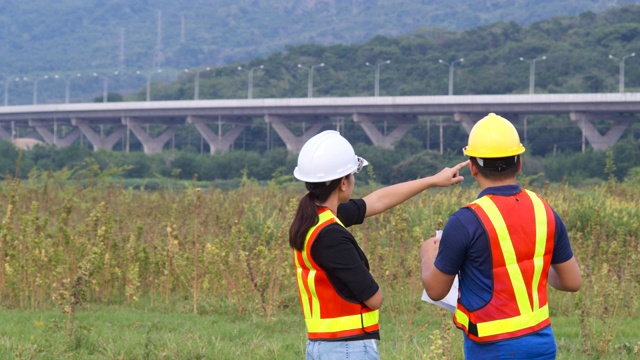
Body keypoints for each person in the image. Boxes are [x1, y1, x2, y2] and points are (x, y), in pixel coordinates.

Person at [290, 130, 468, 360]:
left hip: (323, 346)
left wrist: (432, 180)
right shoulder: (331, 236)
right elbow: (374, 298)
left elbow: (377, 201)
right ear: (344, 183)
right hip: (347, 349)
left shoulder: (315, 220)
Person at [421, 113, 582, 359]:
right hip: (542, 346)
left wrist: (427, 255)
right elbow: (572, 282)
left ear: (473, 167)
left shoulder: (465, 221)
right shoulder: (544, 210)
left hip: (491, 350)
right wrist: (533, 264)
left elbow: (435, 291)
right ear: (519, 163)